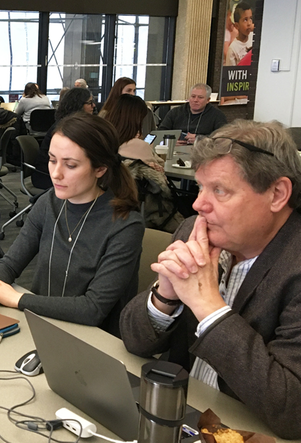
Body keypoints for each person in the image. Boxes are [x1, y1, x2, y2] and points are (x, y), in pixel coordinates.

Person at [120, 120, 301, 439]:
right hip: (180, 413)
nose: (198, 204)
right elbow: (135, 340)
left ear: (277, 194)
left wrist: (209, 307)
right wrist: (166, 295)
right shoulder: (194, 231)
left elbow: (290, 410)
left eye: (219, 190)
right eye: (201, 187)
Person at [0, 113, 144, 337]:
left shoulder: (125, 225)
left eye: (70, 165)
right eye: (52, 160)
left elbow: (93, 309)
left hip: (94, 341)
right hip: (42, 325)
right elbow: (11, 264)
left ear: (100, 169)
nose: (56, 173)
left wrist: (17, 299)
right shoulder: (48, 202)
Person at [105, 94, 183, 233]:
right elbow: (161, 174)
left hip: (111, 211)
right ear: (136, 120)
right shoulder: (139, 146)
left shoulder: (105, 141)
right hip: (146, 214)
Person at [32, 88, 95, 189]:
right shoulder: (67, 129)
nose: (93, 106)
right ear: (79, 105)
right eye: (90, 103)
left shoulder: (69, 124)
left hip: (55, 172)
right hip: (48, 176)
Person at [159, 84, 227, 144]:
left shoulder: (217, 115)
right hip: (175, 149)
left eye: (200, 97)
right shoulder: (175, 112)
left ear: (208, 100)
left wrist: (200, 139)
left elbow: (224, 137)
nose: (195, 100)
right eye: (193, 96)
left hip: (204, 151)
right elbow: (160, 133)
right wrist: (170, 141)